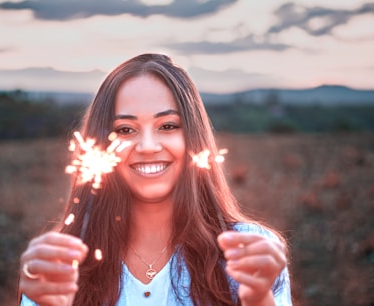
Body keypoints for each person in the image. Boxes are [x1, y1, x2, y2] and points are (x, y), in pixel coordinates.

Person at [18, 53, 292, 306]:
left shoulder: (249, 249)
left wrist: (259, 299)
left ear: (194, 137)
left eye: (168, 126)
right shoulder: (61, 261)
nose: (148, 146)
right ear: (99, 145)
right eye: (125, 129)